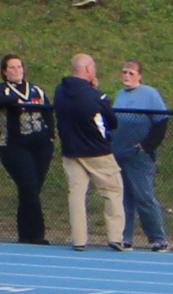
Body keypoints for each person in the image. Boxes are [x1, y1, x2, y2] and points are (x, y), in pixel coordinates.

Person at [51, 56, 115, 252]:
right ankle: (116, 237)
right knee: (112, 191)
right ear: (87, 69)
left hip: (71, 150)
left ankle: (78, 239)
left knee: (76, 194)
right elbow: (111, 121)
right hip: (97, 151)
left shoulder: (60, 91)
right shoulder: (96, 96)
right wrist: (97, 92)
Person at [106, 62, 163, 252]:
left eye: (131, 73)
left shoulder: (150, 94)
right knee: (123, 199)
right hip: (119, 154)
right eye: (124, 72)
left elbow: (161, 122)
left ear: (139, 75)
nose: (127, 76)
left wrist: (147, 145)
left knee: (144, 197)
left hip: (139, 156)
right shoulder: (120, 95)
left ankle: (158, 238)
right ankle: (125, 237)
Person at [0, 61, 47, 245]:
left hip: (40, 145)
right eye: (12, 67)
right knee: (29, 186)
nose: (17, 70)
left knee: (31, 190)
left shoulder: (36, 90)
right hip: (14, 146)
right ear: (4, 72)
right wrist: (15, 100)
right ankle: (36, 234)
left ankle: (26, 234)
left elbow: (48, 113)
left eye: (19, 66)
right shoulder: (4, 90)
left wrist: (50, 136)